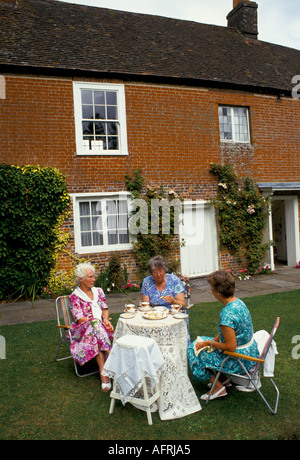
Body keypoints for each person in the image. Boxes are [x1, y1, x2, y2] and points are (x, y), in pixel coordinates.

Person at [187, 270, 259, 401]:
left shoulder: (227, 315)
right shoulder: (238, 302)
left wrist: (210, 343)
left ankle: (218, 388)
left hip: (239, 359)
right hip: (250, 351)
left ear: (218, 292)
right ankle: (223, 380)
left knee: (193, 350)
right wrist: (210, 341)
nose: (211, 291)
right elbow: (229, 334)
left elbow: (230, 347)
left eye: (212, 288)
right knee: (201, 341)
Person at [69, 262, 114, 391]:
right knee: (94, 324)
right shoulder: (74, 296)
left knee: (96, 335)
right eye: (90, 277)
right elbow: (79, 318)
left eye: (93, 276)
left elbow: (104, 309)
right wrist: (95, 321)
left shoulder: (98, 291)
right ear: (80, 279)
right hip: (82, 330)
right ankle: (110, 353)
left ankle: (103, 373)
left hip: (98, 331)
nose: (94, 279)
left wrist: (105, 320)